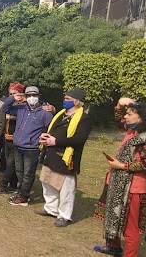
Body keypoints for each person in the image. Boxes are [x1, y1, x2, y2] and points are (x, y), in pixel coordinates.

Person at [93, 98, 146, 257]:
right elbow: (119, 116)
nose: (126, 117)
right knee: (115, 218)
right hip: (119, 183)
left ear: (142, 118)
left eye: (130, 114)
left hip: (134, 190)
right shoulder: (133, 132)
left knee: (129, 230)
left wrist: (122, 166)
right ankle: (114, 247)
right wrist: (120, 103)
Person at [37, 88, 92, 227]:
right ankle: (51, 208)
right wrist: (44, 135)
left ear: (78, 101)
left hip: (67, 156)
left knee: (66, 187)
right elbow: (50, 127)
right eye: (65, 98)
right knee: (47, 181)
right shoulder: (61, 114)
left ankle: (64, 215)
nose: (65, 101)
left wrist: (56, 142)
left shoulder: (84, 118)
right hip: (51, 153)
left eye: (69, 99)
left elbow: (79, 139)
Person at [2, 86, 53, 206]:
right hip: (18, 146)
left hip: (32, 148)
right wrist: (12, 98)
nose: (31, 98)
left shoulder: (45, 112)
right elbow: (5, 108)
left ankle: (24, 197)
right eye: (29, 95)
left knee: (28, 173)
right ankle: (21, 192)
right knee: (19, 171)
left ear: (38, 96)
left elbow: (51, 127)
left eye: (34, 96)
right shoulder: (21, 108)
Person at [0, 83, 24, 194]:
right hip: (7, 137)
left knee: (10, 163)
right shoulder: (9, 105)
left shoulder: (24, 105)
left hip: (17, 139)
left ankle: (2, 185)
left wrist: (14, 117)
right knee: (10, 163)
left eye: (15, 94)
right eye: (10, 94)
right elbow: (2, 117)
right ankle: (13, 185)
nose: (12, 96)